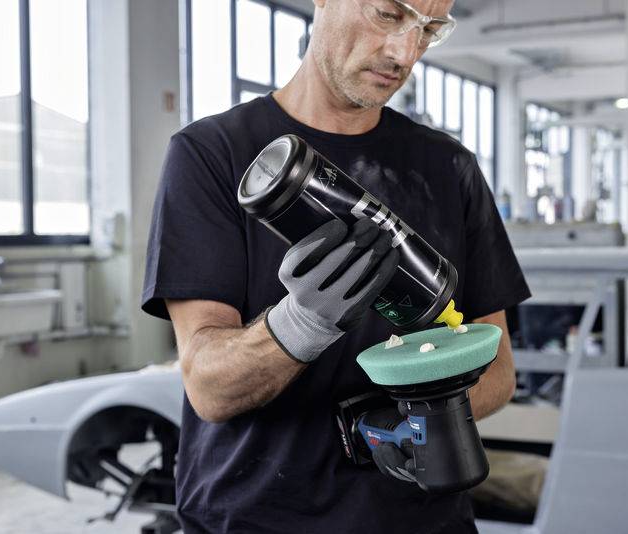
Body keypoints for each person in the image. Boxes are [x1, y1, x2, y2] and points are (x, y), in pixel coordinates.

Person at [141, 0, 530, 532]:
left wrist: (407, 423)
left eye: (428, 30)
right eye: (388, 14)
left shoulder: (449, 167)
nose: (404, 52)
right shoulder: (213, 154)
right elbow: (209, 388)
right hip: (254, 518)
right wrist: (301, 324)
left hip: (420, 522)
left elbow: (499, 369)